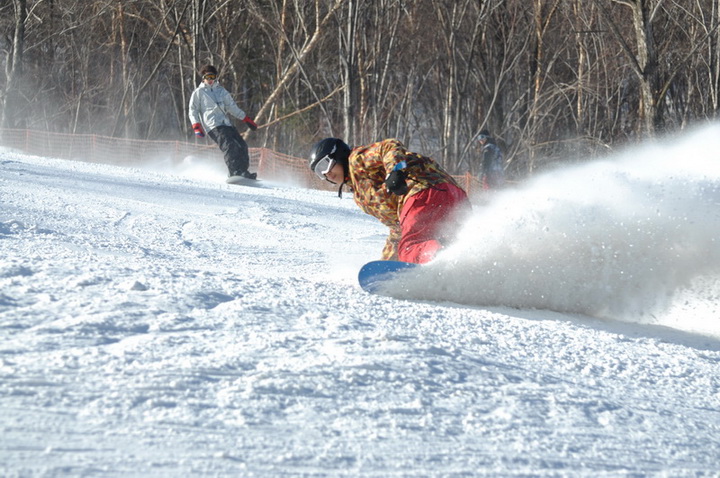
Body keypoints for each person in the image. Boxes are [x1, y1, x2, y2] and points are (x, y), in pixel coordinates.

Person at [309, 138, 471, 264]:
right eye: (319, 172)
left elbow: (389, 146)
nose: (326, 174)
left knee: (410, 248)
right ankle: (471, 262)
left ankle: (445, 256)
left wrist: (395, 171)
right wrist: (387, 263)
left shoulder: (356, 160)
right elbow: (398, 228)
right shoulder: (360, 194)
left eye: (325, 165)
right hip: (454, 197)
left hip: (424, 193)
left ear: (338, 155)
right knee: (452, 240)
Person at [188, 64, 259, 180]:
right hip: (213, 125)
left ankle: (243, 171)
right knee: (229, 145)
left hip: (226, 124)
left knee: (242, 145)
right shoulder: (199, 93)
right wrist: (196, 126)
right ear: (203, 78)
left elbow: (232, 107)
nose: (210, 80)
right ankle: (234, 171)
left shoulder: (221, 91)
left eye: (212, 77)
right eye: (208, 77)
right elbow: (193, 110)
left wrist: (246, 119)